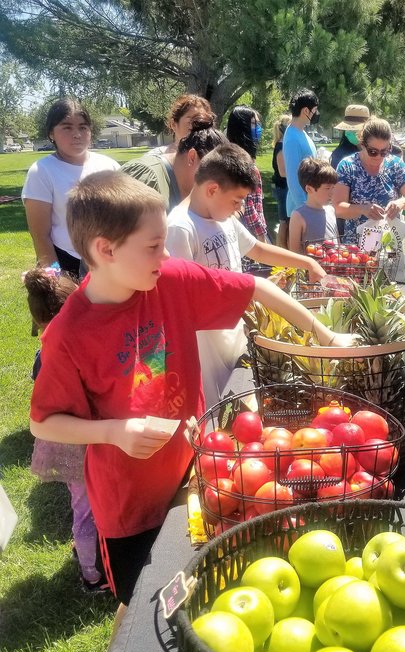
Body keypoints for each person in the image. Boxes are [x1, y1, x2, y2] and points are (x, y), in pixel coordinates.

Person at [28, 171, 354, 613]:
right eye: (153, 246)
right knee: (141, 610)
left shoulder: (170, 280)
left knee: (200, 598)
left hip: (196, 478)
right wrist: (114, 432)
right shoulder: (69, 334)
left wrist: (325, 336)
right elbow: (43, 422)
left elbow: (256, 288)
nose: (165, 255)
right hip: (129, 509)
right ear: (106, 250)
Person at [166, 144, 325, 408]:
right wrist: (244, 295)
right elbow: (183, 299)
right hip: (205, 352)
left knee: (238, 405)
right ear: (212, 190)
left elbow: (258, 250)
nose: (239, 208)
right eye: (236, 200)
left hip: (234, 337)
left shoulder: (224, 218)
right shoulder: (180, 228)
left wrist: (305, 261)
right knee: (215, 415)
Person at [23, 267, 104, 593]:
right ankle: (93, 574)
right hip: (82, 439)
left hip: (68, 438)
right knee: (89, 507)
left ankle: (87, 555)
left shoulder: (44, 352)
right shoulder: (72, 348)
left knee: (82, 503)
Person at [22, 98, 120, 278]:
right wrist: (55, 276)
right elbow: (40, 235)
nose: (77, 134)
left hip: (110, 261)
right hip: (66, 262)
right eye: (67, 127)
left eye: (83, 127)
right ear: (51, 133)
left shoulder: (110, 166)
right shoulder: (42, 171)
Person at [333, 117, 405, 245]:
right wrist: (362, 209)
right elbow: (337, 208)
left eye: (384, 151)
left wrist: (400, 203)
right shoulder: (348, 166)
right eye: (373, 152)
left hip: (389, 245)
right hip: (356, 248)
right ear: (362, 144)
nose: (379, 157)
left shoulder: (395, 165)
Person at [121, 117, 226, 212]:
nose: (216, 184)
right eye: (213, 173)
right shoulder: (146, 177)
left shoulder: (193, 190)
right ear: (192, 157)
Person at [226, 105, 268, 241]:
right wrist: (261, 236)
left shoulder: (229, 156)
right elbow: (249, 206)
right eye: (254, 124)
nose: (258, 129)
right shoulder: (244, 165)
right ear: (242, 127)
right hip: (250, 235)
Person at [288, 158, 340, 253]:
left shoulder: (331, 210)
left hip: (333, 261)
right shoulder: (298, 216)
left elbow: (337, 244)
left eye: (333, 187)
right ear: (309, 189)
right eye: (327, 188)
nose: (332, 193)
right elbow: (294, 252)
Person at [283, 89, 319, 218]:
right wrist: (305, 210)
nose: (316, 114)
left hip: (309, 205)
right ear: (305, 111)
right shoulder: (292, 138)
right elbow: (293, 179)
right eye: (314, 110)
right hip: (301, 210)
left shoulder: (300, 132)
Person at [148, 94, 214, 156]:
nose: (199, 126)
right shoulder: (156, 157)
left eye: (204, 122)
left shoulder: (214, 157)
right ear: (173, 125)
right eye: (192, 121)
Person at [272, 114, 291, 247]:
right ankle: (282, 249)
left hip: (284, 187)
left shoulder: (284, 145)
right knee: (284, 222)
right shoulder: (281, 147)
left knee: (287, 221)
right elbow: (283, 172)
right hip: (282, 188)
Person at [330, 104, 370, 170]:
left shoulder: (377, 153)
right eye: (348, 128)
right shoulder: (339, 154)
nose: (348, 132)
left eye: (354, 129)